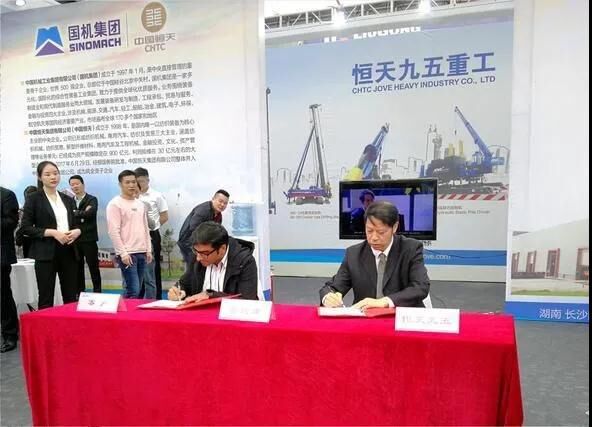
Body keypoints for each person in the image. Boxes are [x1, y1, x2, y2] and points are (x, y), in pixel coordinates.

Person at [320, 201, 430, 310]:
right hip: (367, 317)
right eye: (369, 231)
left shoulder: (411, 249)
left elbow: (421, 286)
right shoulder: (354, 254)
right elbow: (332, 287)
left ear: (395, 227)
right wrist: (328, 297)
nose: (374, 238)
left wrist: (385, 301)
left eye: (381, 232)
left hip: (401, 314)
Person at [20, 161, 81, 309]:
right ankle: (46, 324)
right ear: (40, 177)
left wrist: (77, 231)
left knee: (70, 296)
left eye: (55, 173)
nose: (53, 177)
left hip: (68, 249)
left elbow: (75, 224)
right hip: (45, 253)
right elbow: (26, 228)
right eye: (47, 174)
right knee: (46, 296)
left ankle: (70, 323)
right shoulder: (34, 198)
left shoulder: (68, 199)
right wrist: (52, 233)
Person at [168, 221, 258, 302]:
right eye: (196, 251)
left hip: (228, 314)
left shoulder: (245, 262)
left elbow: (247, 300)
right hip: (201, 314)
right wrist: (179, 291)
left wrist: (211, 295)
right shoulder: (198, 254)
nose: (198, 258)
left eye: (205, 253)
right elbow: (185, 283)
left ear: (222, 249)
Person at [106, 170, 152, 298]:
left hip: (142, 252)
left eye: (133, 182)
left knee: (139, 291)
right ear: (120, 184)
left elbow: (145, 228)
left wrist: (148, 250)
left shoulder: (140, 204)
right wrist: (123, 253)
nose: (131, 185)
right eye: (127, 182)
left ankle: (132, 311)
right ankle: (124, 311)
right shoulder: (115, 204)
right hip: (128, 254)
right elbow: (113, 231)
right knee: (133, 291)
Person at [135, 167, 168, 299]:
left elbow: (164, 216)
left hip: (152, 234)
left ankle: (156, 297)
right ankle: (138, 298)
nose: (139, 184)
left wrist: (152, 227)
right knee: (138, 267)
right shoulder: (132, 196)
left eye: (142, 181)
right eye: (136, 181)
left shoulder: (156, 195)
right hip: (135, 236)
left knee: (153, 269)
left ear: (148, 180)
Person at [178, 189, 229, 266]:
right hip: (188, 242)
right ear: (213, 199)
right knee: (194, 265)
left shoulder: (219, 215)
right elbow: (193, 228)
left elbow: (216, 233)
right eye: (220, 201)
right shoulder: (203, 210)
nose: (222, 205)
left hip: (201, 243)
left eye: (225, 203)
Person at [69, 175, 102, 294]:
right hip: (75, 240)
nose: (75, 186)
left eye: (77, 184)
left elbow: (90, 214)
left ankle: (97, 291)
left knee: (93, 267)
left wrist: (75, 213)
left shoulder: (92, 199)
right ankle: (80, 292)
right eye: (72, 185)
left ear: (83, 184)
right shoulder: (69, 201)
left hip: (89, 239)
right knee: (77, 268)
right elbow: (70, 218)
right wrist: (82, 213)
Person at [1, 187, 19, 352]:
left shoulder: (6, 195)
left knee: (3, 295)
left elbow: (11, 221)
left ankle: (10, 334)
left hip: (1, 255)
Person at [15, 185, 38, 258]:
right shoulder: (21, 211)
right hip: (26, 240)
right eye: (27, 197)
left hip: (39, 239)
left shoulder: (43, 210)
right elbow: (19, 227)